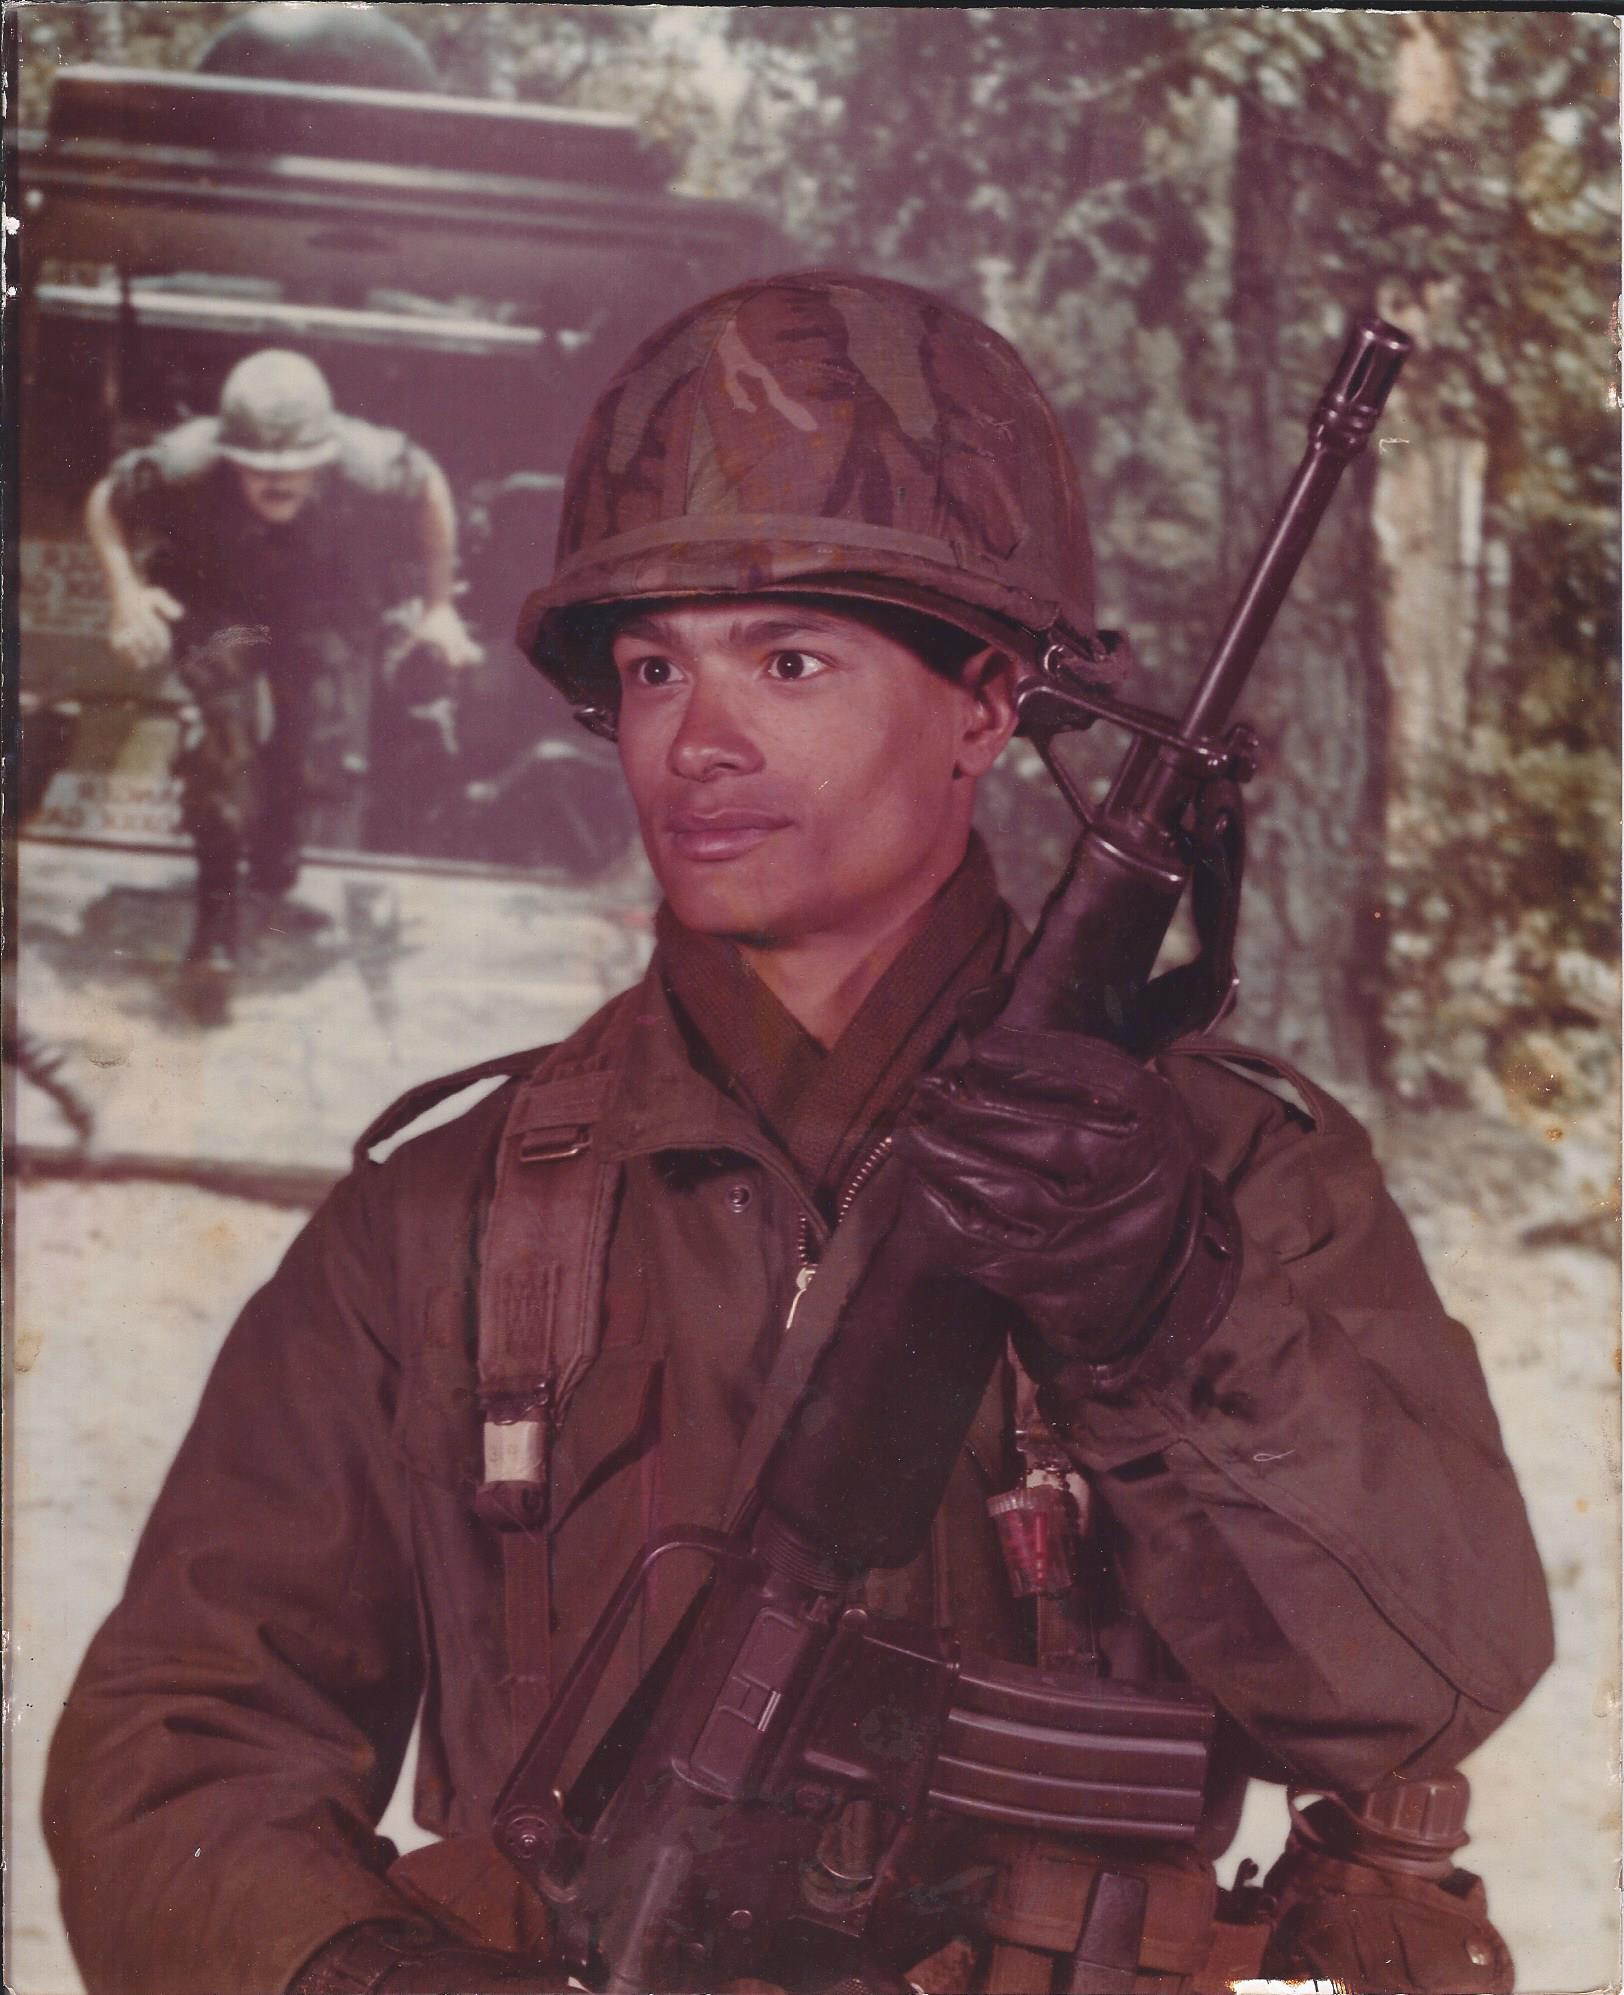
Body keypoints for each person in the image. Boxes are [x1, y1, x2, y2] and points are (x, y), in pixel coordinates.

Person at [44, 272, 1552, 1995]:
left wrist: (1166, 1313)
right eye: (651, 668)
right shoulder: (442, 1214)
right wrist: (361, 1974)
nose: (700, 740)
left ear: (986, 705)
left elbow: (1428, 1683)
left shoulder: (1222, 1175)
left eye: (787, 659)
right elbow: (178, 1739)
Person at [83, 348, 479, 971]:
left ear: (325, 455)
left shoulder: (367, 461)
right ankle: (217, 907)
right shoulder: (187, 460)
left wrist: (439, 607)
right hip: (220, 607)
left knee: (311, 736)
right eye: (258, 466)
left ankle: (279, 838)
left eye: (296, 466)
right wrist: (126, 597)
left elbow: (429, 486)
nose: (278, 480)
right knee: (224, 747)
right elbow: (107, 501)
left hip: (320, 605)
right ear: (228, 454)